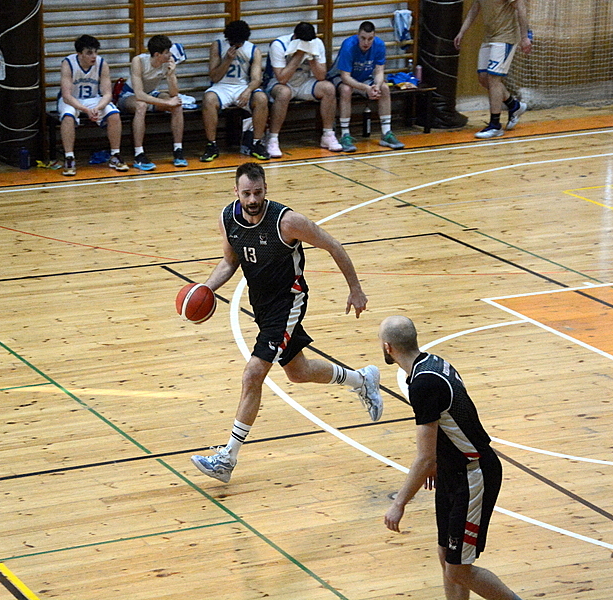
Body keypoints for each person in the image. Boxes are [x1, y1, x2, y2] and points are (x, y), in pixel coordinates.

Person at [190, 162, 382, 483]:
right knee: (298, 372)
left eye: (258, 192)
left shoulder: (287, 221)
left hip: (288, 301)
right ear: (236, 192)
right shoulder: (228, 219)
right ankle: (362, 380)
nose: (253, 199)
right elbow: (229, 262)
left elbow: (333, 245)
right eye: (246, 193)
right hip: (262, 305)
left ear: (266, 189)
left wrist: (355, 289)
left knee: (253, 374)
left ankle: (227, 458)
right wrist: (205, 290)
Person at [380, 316, 523, 600]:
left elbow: (424, 458)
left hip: (474, 475)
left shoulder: (423, 384)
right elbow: (450, 422)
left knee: (458, 570)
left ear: (388, 347)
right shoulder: (432, 363)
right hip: (452, 471)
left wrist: (399, 504)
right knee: (446, 553)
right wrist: (438, 461)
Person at [454, 0, 532, 139]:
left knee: (493, 79)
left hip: (505, 37)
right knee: (484, 79)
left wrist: (525, 37)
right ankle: (514, 105)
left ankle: (495, 125)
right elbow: (474, 9)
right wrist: (462, 31)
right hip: (489, 37)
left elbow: (521, 7)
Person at [263, 22, 342, 158]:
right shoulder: (279, 45)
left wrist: (311, 57)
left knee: (328, 88)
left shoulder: (317, 43)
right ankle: (273, 139)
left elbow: (321, 76)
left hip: (304, 81)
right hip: (279, 83)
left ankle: (328, 134)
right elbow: (282, 78)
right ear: (295, 37)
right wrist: (299, 54)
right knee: (284, 93)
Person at [327, 21, 404, 152]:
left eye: (370, 39)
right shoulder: (348, 45)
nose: (366, 42)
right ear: (358, 35)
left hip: (363, 78)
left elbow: (379, 72)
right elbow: (345, 77)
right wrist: (366, 88)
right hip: (340, 77)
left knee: (384, 88)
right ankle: (345, 134)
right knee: (346, 89)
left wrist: (376, 86)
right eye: (363, 38)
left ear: (374, 37)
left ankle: (386, 133)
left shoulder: (379, 45)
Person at [199, 20, 269, 162]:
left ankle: (256, 143)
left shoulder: (253, 50)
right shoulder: (218, 46)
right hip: (222, 86)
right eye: (233, 42)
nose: (236, 45)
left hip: (242, 87)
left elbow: (256, 79)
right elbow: (214, 77)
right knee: (208, 99)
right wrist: (226, 60)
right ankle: (211, 145)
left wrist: (248, 91)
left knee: (262, 98)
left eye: (239, 43)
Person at [58, 35, 128, 176]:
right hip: (72, 99)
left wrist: (98, 108)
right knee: (68, 116)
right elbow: (66, 95)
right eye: (89, 53)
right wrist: (85, 110)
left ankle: (115, 155)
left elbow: (107, 94)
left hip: (93, 99)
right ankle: (69, 157)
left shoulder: (102, 64)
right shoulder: (68, 63)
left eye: (95, 52)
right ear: (79, 54)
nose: (94, 56)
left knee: (114, 114)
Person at [117, 35, 187, 170]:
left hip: (151, 93)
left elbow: (174, 94)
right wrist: (166, 103)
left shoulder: (168, 62)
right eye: (167, 52)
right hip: (129, 95)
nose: (170, 55)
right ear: (157, 54)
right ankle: (139, 154)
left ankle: (178, 150)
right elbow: (139, 94)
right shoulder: (139, 61)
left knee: (177, 104)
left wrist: (171, 75)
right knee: (141, 105)